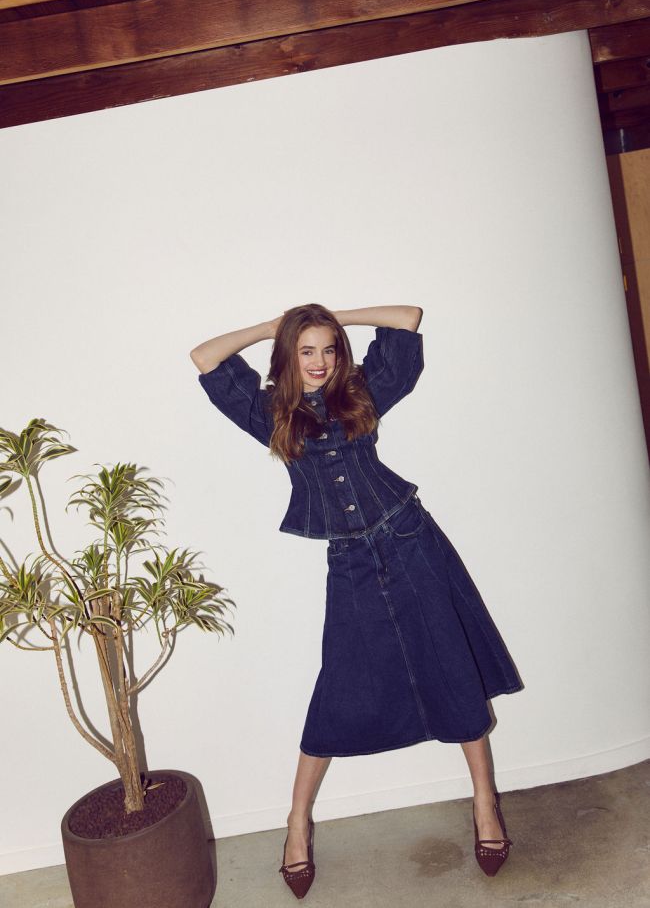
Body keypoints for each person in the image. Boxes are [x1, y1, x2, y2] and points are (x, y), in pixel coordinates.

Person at [190, 303, 524, 898]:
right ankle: (297, 822)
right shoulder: (270, 413)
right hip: (349, 558)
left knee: (450, 664)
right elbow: (204, 358)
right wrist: (274, 326)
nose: (319, 362)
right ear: (289, 356)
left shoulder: (360, 394)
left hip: (410, 538)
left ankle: (484, 803)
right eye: (306, 351)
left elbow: (407, 319)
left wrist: (330, 317)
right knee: (339, 683)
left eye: (329, 349)